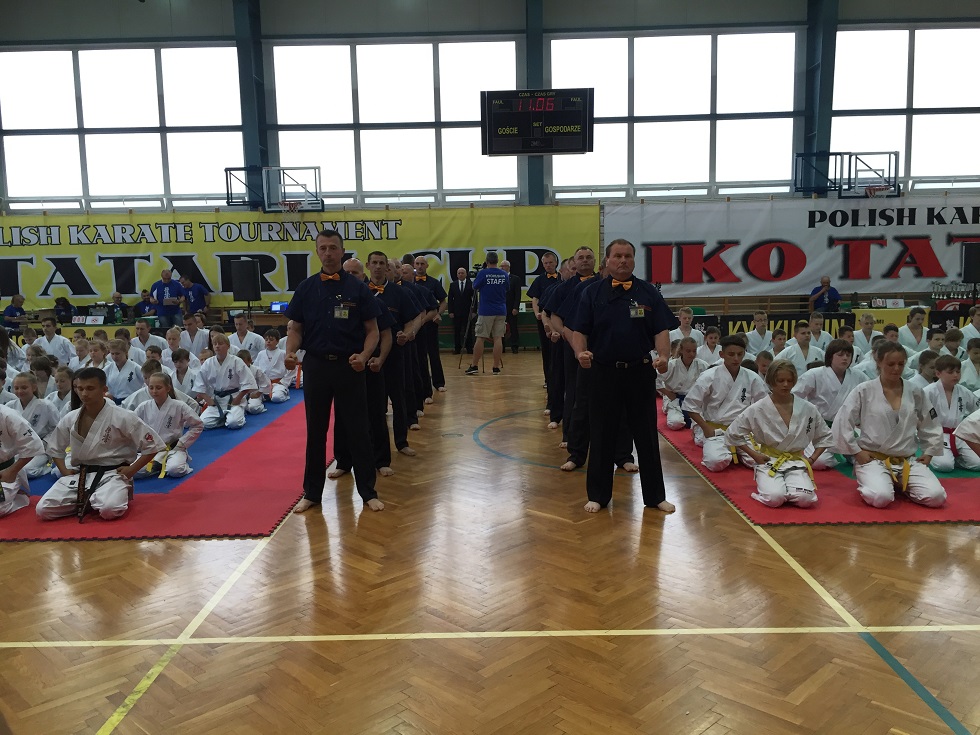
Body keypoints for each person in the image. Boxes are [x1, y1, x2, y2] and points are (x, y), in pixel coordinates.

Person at [570, 239, 678, 513]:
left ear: (633, 260)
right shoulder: (591, 292)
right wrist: (580, 353)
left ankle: (655, 496)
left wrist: (664, 356)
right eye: (617, 256)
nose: (623, 260)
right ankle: (598, 495)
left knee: (646, 435)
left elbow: (661, 329)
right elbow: (579, 330)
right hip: (603, 371)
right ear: (607, 261)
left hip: (640, 372)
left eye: (628, 256)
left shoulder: (648, 292)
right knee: (601, 433)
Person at [285, 228, 384, 513]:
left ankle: (368, 492)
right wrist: (290, 351)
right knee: (315, 431)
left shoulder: (358, 288)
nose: (328, 253)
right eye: (323, 248)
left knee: (358, 431)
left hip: (349, 366)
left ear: (342, 251)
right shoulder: (306, 288)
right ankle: (312, 493)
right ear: (317, 252)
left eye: (332, 248)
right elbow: (295, 328)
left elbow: (373, 331)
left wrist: (364, 356)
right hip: (316, 366)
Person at [37, 367, 165, 521]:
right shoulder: (71, 418)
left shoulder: (123, 416)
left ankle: (98, 497)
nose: (84, 393)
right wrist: (64, 470)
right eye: (80, 389)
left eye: (90, 388)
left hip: (112, 474)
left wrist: (131, 470)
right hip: (81, 475)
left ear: (104, 389)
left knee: (109, 510)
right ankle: (91, 499)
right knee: (44, 509)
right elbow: (55, 448)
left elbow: (152, 446)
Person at [832, 341, 946, 509]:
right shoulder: (864, 390)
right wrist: (856, 452)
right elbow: (843, 421)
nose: (896, 369)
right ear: (878, 362)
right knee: (881, 498)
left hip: (907, 459)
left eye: (901, 364)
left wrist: (929, 451)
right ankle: (882, 482)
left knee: (936, 497)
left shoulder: (915, 391)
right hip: (873, 459)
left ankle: (899, 484)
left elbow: (930, 422)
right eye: (891, 364)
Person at [725, 360, 833, 508]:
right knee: (775, 498)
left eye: (789, 380)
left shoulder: (807, 408)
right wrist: (754, 455)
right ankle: (773, 491)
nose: (785, 385)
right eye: (780, 380)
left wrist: (812, 459)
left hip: (796, 461)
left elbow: (825, 436)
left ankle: (789, 489)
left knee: (806, 499)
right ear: (771, 381)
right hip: (769, 461)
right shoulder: (758, 408)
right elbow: (733, 433)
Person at [684, 335, 770, 472]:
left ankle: (737, 451)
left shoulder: (752, 377)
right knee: (716, 462)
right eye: (731, 354)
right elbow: (690, 404)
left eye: (740, 354)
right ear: (722, 354)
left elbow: (764, 404)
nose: (736, 358)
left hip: (741, 430)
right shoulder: (709, 376)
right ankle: (725, 450)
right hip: (716, 430)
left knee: (761, 461)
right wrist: (705, 428)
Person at [791, 339, 864, 469]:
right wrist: (802, 417)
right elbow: (794, 396)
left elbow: (869, 398)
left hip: (845, 428)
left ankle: (845, 452)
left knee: (862, 460)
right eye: (840, 355)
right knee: (820, 462)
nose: (845, 358)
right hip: (820, 428)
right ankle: (832, 452)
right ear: (830, 356)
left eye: (848, 355)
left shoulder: (858, 376)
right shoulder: (815, 374)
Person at [134, 372, 204, 478]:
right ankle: (157, 466)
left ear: (168, 388)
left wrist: (182, 442)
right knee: (135, 471)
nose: (154, 391)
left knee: (175, 470)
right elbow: (131, 425)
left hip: (173, 448)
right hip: (151, 450)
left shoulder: (179, 406)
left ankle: (169, 463)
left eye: (158, 388)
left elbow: (198, 425)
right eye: (151, 387)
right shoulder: (144, 406)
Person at [923, 355, 980, 472]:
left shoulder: (963, 391)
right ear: (938, 373)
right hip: (937, 435)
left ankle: (957, 460)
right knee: (945, 466)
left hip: (958, 435)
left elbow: (977, 409)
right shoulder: (928, 391)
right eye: (950, 372)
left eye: (958, 372)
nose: (955, 375)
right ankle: (940, 457)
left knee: (978, 463)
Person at [193, 332, 256, 430]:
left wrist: (238, 398)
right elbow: (199, 384)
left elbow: (248, 382)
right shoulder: (208, 363)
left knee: (233, 423)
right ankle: (224, 418)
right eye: (215, 344)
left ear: (228, 346)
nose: (217, 346)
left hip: (234, 398)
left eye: (220, 343)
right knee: (203, 423)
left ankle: (236, 414)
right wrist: (208, 400)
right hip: (217, 401)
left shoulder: (236, 361)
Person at [465, 252, 509, 376]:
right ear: (497, 261)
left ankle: (474, 365)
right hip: (501, 309)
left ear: (487, 261)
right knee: (498, 338)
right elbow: (507, 288)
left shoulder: (483, 273)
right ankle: (496, 367)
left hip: (486, 310)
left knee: (481, 337)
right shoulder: (504, 274)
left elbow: (474, 286)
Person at [11, 372, 60, 477]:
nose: (19, 391)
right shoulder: (10, 406)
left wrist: (45, 442)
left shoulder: (46, 405)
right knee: (10, 467)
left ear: (33, 387)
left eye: (24, 387)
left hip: (40, 448)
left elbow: (56, 429)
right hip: (17, 448)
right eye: (16, 388)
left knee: (26, 470)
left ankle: (47, 467)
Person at [0, 402, 45, 517]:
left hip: (5, 471)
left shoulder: (8, 415)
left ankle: (19, 497)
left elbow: (32, 445)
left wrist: (12, 471)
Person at [412, 255, 448, 393]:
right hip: (413, 325)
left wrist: (438, 313)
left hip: (429, 324)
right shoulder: (408, 284)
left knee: (433, 354)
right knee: (417, 356)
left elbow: (443, 301)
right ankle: (420, 384)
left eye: (422, 264)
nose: (420, 266)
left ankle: (439, 382)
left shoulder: (434, 283)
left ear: (427, 266)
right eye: (417, 263)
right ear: (414, 265)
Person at [658, 336, 710, 431]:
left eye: (694, 351)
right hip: (675, 400)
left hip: (694, 401)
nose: (692, 354)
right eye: (688, 351)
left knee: (704, 423)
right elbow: (654, 379)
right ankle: (672, 411)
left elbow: (711, 380)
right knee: (675, 423)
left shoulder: (702, 365)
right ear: (681, 350)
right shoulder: (671, 365)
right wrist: (667, 393)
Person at [527, 252, 561, 389]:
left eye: (550, 262)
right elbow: (535, 298)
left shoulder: (562, 278)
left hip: (558, 318)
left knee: (558, 349)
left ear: (556, 263)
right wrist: (537, 313)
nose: (548, 265)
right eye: (545, 263)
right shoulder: (539, 280)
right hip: (544, 319)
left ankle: (560, 378)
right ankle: (548, 379)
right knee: (546, 350)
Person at [104, 339, 144, 404]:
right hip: (112, 402)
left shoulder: (136, 368)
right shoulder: (108, 368)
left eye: (117, 353)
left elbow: (146, 384)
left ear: (126, 352)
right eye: (112, 354)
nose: (115, 356)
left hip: (132, 402)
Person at [254, 329, 289, 403]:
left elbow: (291, 370)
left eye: (271, 339)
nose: (268, 341)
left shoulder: (283, 353)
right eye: (266, 339)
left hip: (277, 383)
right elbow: (255, 368)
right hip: (263, 384)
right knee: (253, 403)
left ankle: (282, 393)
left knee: (277, 398)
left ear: (277, 341)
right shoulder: (261, 354)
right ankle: (264, 396)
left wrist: (283, 381)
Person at [447, 266, 474, 354]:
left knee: (468, 331)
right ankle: (457, 349)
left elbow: (474, 299)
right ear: (457, 275)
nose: (461, 274)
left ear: (466, 274)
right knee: (457, 331)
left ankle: (469, 348)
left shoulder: (471, 284)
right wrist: (451, 311)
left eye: (462, 273)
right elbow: (450, 299)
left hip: (468, 312)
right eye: (459, 273)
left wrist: (474, 311)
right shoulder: (453, 285)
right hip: (456, 312)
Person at [500, 259, 523, 354]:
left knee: (513, 327)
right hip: (500, 308)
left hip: (511, 307)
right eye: (501, 266)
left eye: (503, 266)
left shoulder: (515, 279)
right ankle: (501, 347)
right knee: (500, 328)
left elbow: (518, 294)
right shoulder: (498, 279)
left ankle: (514, 346)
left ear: (508, 267)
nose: (502, 268)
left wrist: (516, 307)